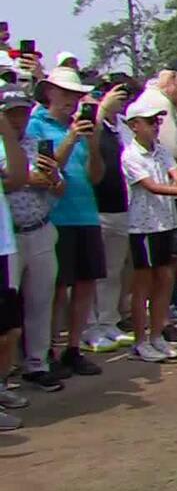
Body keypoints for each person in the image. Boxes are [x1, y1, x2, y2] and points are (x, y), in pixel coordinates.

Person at [30, 66, 107, 378]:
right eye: (65, 94)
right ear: (49, 92)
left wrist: (90, 143)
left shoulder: (81, 128)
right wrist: (71, 138)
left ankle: (74, 348)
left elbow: (96, 176)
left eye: (76, 95)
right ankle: (48, 349)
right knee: (57, 289)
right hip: (57, 215)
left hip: (86, 213)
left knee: (86, 284)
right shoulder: (37, 125)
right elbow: (48, 169)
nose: (71, 101)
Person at [121, 99, 177, 362]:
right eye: (150, 122)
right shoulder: (130, 155)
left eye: (157, 121)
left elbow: (176, 173)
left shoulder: (160, 150)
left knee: (166, 280)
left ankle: (156, 336)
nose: (155, 126)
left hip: (167, 223)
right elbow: (151, 186)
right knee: (143, 285)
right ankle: (140, 342)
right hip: (144, 227)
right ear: (134, 125)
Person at [3, 72, 64, 391]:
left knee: (41, 301)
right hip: (8, 236)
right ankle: (8, 369)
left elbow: (58, 188)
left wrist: (54, 179)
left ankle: (37, 363)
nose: (17, 120)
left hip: (40, 228)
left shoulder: (37, 144)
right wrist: (29, 177)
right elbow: (10, 179)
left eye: (22, 113)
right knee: (9, 306)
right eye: (11, 114)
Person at [84, 78, 137, 352]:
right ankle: (90, 327)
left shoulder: (123, 127)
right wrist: (102, 110)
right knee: (93, 273)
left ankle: (108, 323)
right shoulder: (91, 123)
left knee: (113, 272)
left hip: (122, 207)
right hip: (97, 208)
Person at [0, 85, 36, 427]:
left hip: (3, 245)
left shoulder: (3, 141)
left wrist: (4, 132)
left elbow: (18, 177)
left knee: (9, 329)